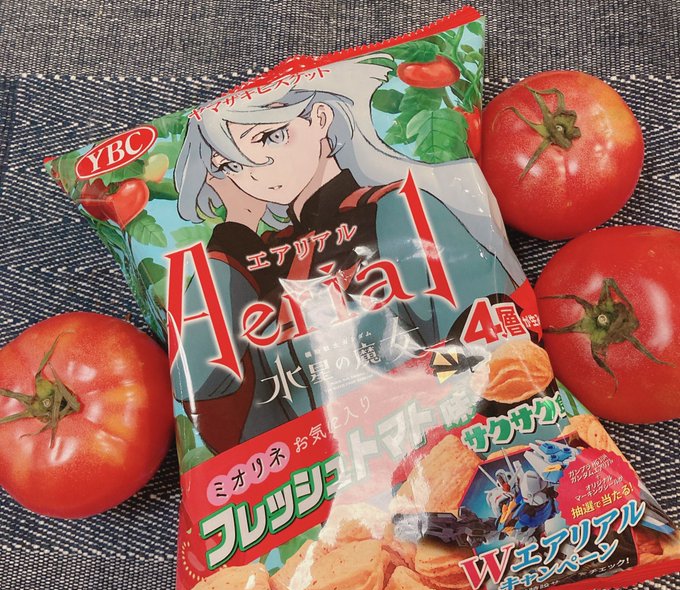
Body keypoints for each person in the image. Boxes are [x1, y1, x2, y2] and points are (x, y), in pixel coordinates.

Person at [171, 54, 523, 453]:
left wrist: (415, 401)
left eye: (270, 137)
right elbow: (208, 398)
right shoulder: (252, 264)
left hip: (457, 447)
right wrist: (236, 226)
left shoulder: (397, 210)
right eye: (228, 165)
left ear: (320, 119)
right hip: (321, 480)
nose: (253, 170)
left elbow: (493, 340)